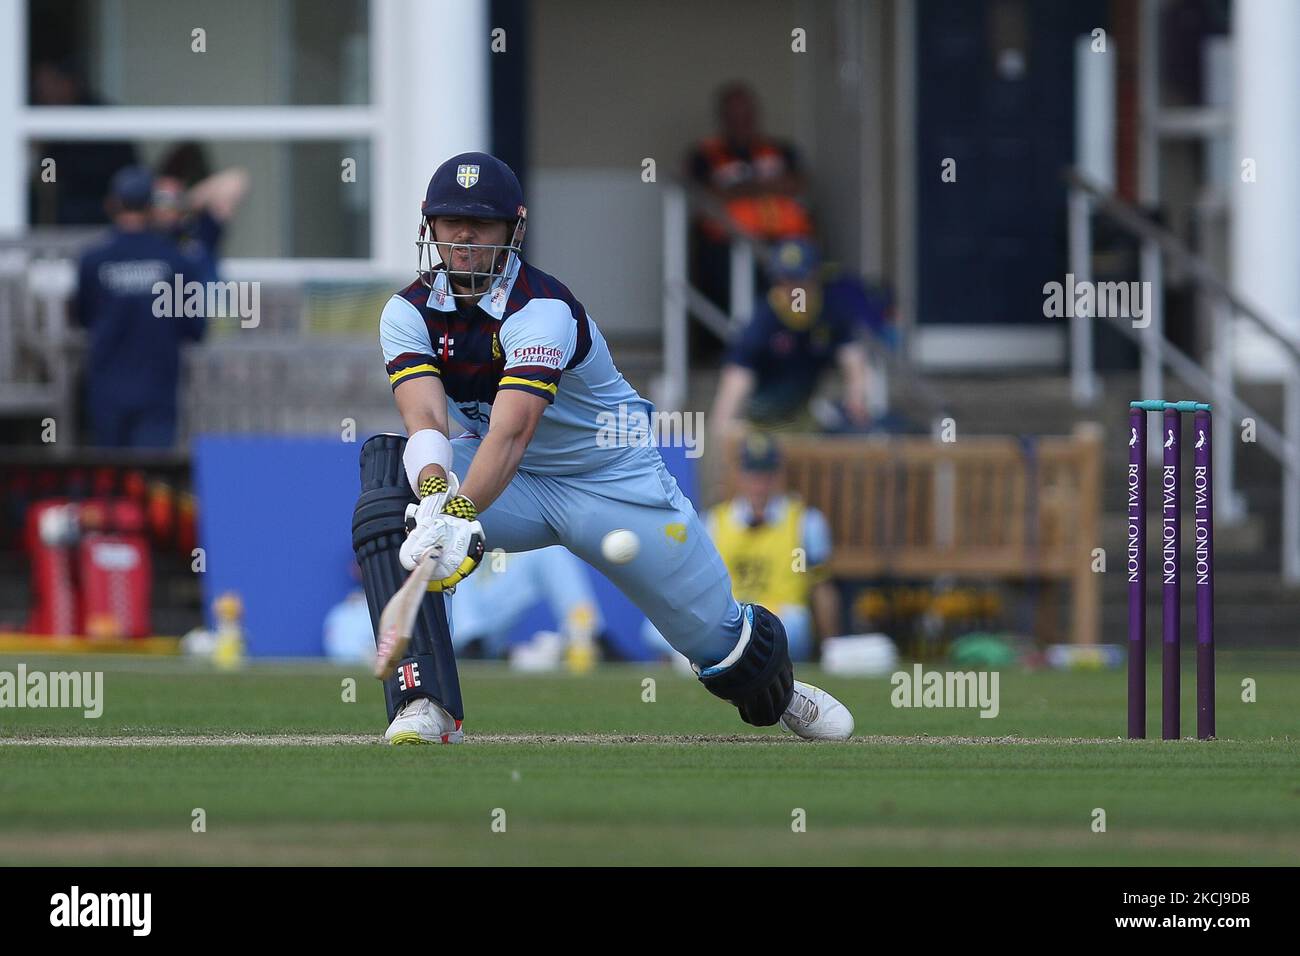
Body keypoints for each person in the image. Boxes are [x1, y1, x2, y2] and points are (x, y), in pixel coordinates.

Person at [353, 151, 853, 745]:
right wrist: (436, 489)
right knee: (390, 486)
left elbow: (514, 432)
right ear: (428, 225)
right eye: (451, 219)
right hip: (514, 484)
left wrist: (460, 512)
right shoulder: (405, 312)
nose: (465, 235)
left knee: (725, 649)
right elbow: (427, 418)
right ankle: (423, 703)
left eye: (482, 222)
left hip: (611, 481)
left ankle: (785, 692)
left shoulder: (542, 310)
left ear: (514, 229)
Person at [645, 434, 837, 663]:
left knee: (792, 630)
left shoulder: (806, 522)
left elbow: (822, 586)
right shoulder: (715, 521)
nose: (759, 484)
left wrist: (830, 645)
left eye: (766, 474)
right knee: (654, 631)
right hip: (729, 616)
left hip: (780, 614)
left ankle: (711, 659)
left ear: (778, 476)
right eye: (752, 474)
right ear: (739, 476)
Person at [74, 167, 212, 448]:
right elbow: (195, 328)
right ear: (152, 207)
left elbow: (83, 318)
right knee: (153, 482)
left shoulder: (92, 261)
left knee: (111, 485)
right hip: (157, 392)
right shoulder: (176, 261)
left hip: (106, 393)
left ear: (112, 204)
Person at [710, 238, 883, 437]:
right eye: (785, 282)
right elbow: (738, 376)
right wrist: (723, 422)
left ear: (815, 278)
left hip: (803, 418)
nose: (793, 291)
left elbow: (853, 358)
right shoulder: (764, 320)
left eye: (800, 282)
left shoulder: (831, 311)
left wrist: (856, 397)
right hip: (762, 423)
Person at [687, 82, 813, 311]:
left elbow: (797, 184)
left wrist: (742, 188)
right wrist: (764, 185)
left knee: (797, 303)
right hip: (726, 246)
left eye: (746, 114)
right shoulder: (705, 155)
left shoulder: (780, 150)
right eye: (733, 115)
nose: (740, 121)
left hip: (784, 242)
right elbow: (707, 194)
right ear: (723, 118)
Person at [450, 545, 602, 670]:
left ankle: (586, 635)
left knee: (550, 548)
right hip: (442, 632)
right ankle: (471, 643)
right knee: (451, 549)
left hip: (486, 636)